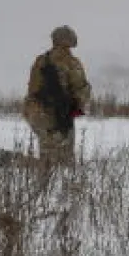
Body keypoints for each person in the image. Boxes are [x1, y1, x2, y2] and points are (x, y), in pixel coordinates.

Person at [22, 25, 91, 164]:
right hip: (57, 115)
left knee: (48, 156)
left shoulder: (41, 60)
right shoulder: (71, 62)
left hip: (35, 112)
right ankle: (8, 159)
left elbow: (33, 88)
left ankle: (11, 161)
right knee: (62, 163)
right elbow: (81, 90)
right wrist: (79, 107)